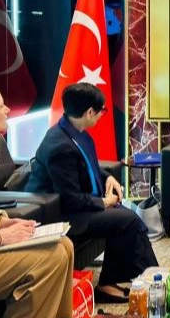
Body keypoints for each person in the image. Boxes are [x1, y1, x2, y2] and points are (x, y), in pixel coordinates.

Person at [27, 83, 158, 303]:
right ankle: (146, 280)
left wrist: (108, 177)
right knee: (126, 219)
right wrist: (104, 202)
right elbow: (70, 199)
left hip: (77, 206)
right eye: (101, 111)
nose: (101, 115)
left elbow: (86, 166)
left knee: (126, 218)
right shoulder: (60, 146)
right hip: (60, 215)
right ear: (89, 112)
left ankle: (145, 278)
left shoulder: (73, 132)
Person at [0, 79, 73, 318]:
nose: (7, 110)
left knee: (65, 245)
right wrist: (0, 237)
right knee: (51, 259)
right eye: (0, 106)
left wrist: (2, 221)